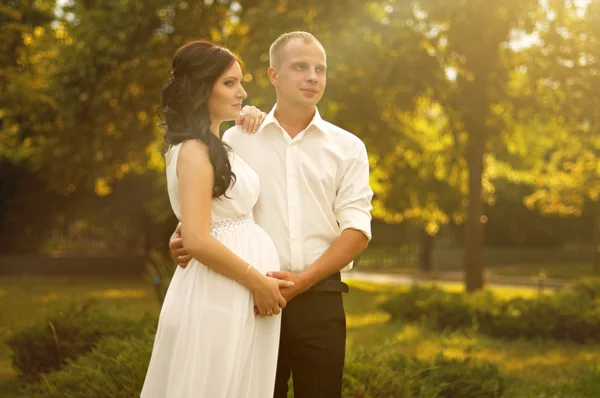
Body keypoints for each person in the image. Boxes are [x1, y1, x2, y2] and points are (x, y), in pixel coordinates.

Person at [170, 32, 374, 398]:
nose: (313, 76)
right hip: (250, 298)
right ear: (273, 75)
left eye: (320, 69)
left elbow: (357, 230)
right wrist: (182, 231)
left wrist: (304, 281)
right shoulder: (235, 139)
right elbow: (211, 201)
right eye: (300, 67)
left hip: (321, 299)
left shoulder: (349, 147)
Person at [140, 40, 294, 398]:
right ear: (200, 86)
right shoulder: (193, 150)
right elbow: (195, 238)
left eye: (240, 82)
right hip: (220, 290)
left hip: (233, 291)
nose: (241, 92)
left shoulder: (217, 144)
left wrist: (250, 116)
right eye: (229, 83)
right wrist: (258, 281)